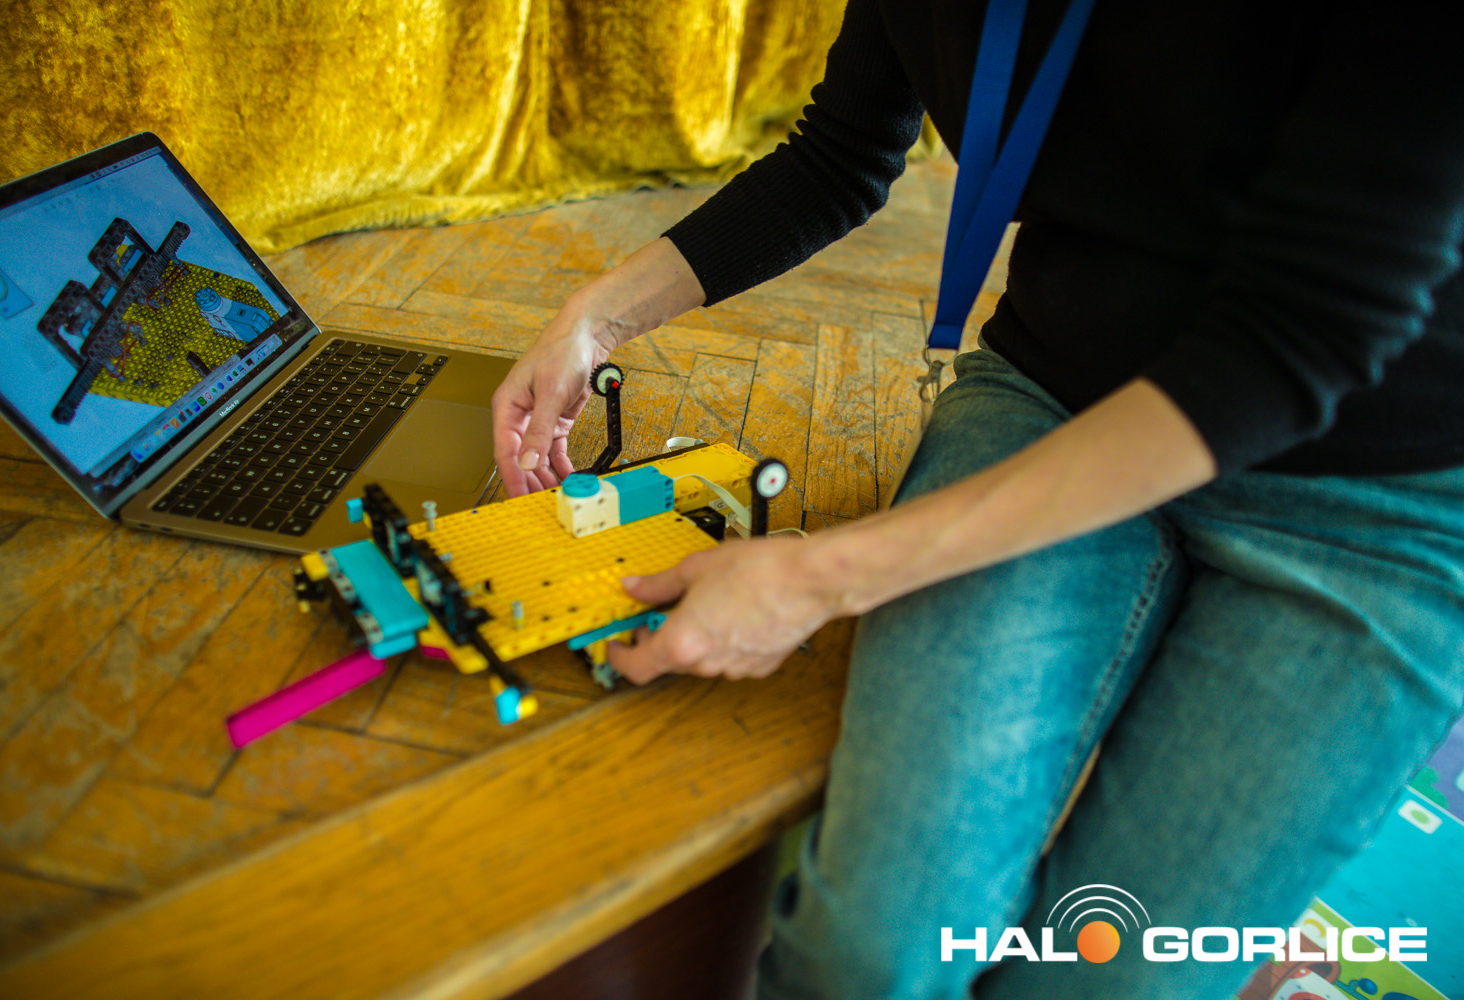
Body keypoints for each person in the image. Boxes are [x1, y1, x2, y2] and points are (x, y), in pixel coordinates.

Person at [490, 1, 1464, 996]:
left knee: (1096, 983)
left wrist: (823, 578)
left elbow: (1297, 339)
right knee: (867, 957)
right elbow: (842, 151)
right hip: (1059, 389)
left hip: (1372, 504)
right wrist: (594, 319)